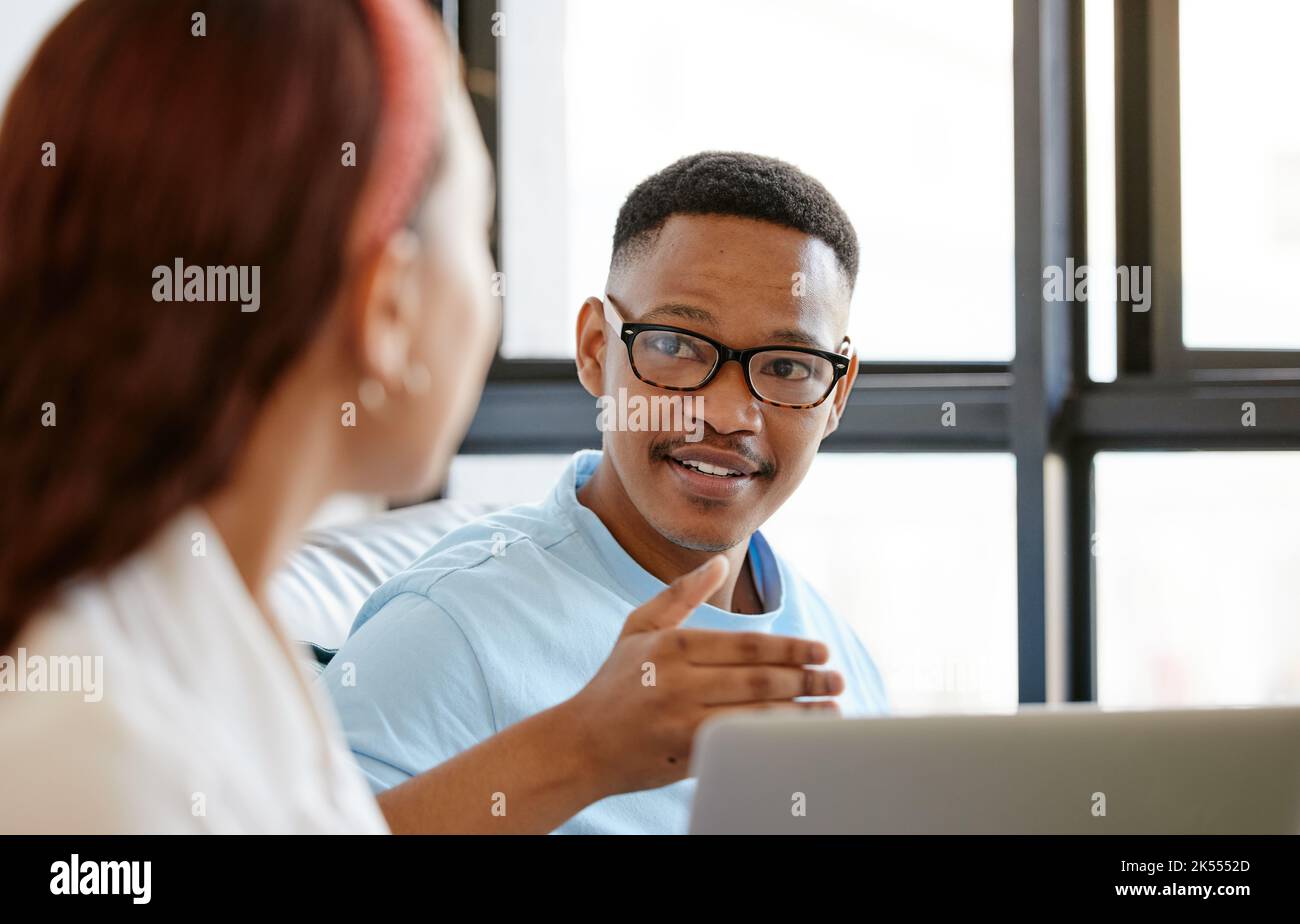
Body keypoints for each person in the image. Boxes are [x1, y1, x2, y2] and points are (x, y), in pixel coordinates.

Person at [0, 0, 842, 834]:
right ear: (387, 304)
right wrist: (580, 752)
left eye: (787, 366)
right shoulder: (97, 750)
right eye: (476, 236)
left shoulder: (212, 636)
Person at [323, 152, 888, 834]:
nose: (728, 414)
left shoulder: (840, 657)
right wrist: (580, 749)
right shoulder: (448, 628)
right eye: (678, 346)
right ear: (596, 349)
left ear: (838, 395)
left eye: (789, 366)